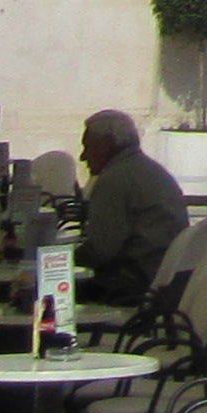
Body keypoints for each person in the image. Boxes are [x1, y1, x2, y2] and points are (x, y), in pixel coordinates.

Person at [72, 108, 189, 308]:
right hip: (165, 285)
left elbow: (101, 251)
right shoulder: (149, 169)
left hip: (133, 288)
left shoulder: (115, 179)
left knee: (42, 294)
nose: (83, 157)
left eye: (88, 147)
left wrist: (57, 258)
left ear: (107, 144)